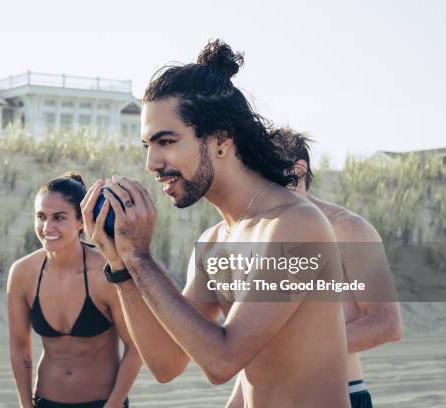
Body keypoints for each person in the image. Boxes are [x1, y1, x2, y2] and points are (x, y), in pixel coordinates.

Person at [81, 39, 351, 407]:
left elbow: (222, 361)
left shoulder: (296, 225)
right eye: (148, 145)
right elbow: (166, 364)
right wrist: (122, 265)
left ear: (221, 138)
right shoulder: (215, 242)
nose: (152, 163)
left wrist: (142, 258)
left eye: (166, 141)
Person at [225, 127, 400, 408]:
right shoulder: (260, 235)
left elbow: (387, 324)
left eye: (265, 173)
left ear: (299, 170)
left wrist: (297, 348)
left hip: (339, 394)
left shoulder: (347, 228)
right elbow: (256, 348)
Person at [7, 172, 141, 408]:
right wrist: (25, 404)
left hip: (103, 403)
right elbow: (19, 346)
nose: (47, 227)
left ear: (81, 221)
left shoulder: (107, 273)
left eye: (59, 217)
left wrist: (114, 404)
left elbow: (135, 347)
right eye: (41, 217)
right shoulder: (22, 274)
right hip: (45, 401)